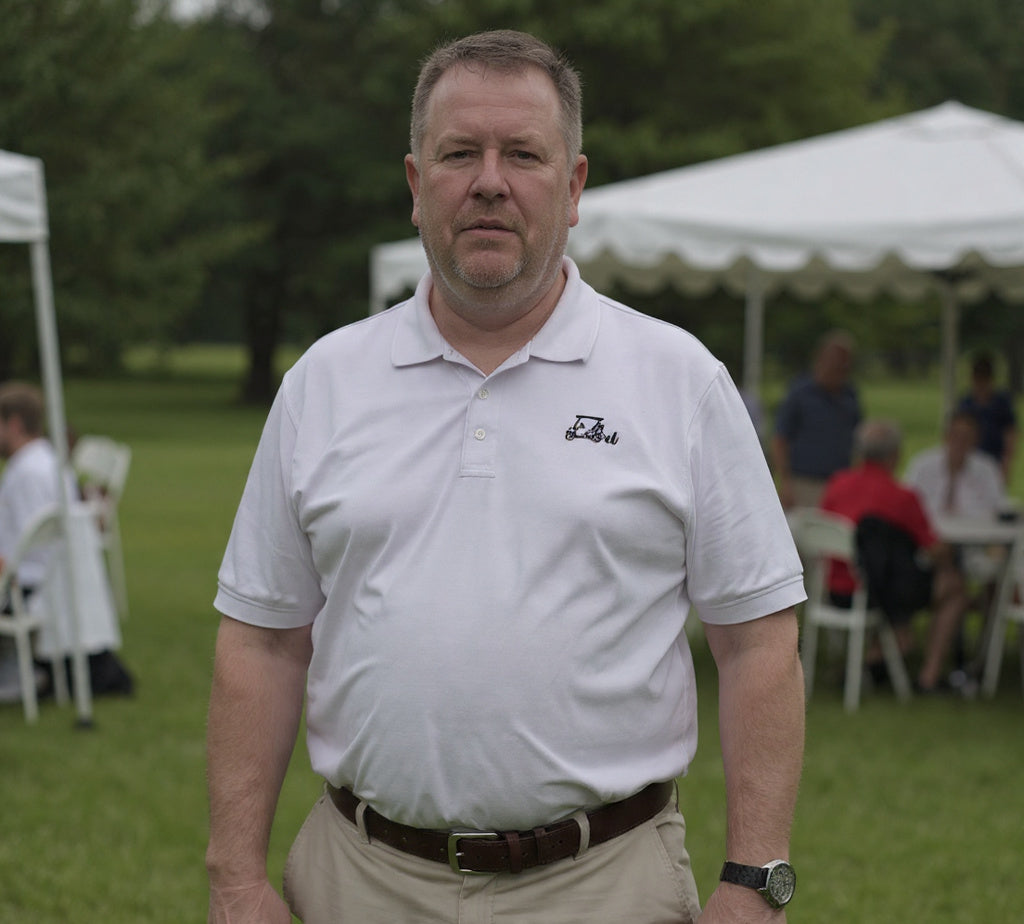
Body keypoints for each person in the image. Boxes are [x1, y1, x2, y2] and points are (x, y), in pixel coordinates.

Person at [206, 30, 806, 924]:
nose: (490, 180)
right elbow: (260, 641)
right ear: (417, 186)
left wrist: (757, 880)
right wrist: (235, 876)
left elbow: (759, 641)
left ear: (572, 189)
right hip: (357, 881)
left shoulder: (676, 380)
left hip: (605, 884)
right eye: (460, 154)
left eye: (523, 154)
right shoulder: (323, 385)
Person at [0, 381, 131, 699]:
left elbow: (31, 552)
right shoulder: (49, 461)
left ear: (14, 424)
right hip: (51, 580)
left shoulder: (26, 473)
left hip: (27, 585)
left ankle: (19, 674)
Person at [820, 419, 971, 693]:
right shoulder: (900, 496)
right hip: (876, 593)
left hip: (834, 588)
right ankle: (929, 675)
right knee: (954, 586)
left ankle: (875, 660)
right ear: (894, 455)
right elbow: (933, 548)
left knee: (899, 576)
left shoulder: (837, 484)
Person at [771, 330, 862, 509]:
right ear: (821, 359)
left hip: (839, 483)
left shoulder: (850, 395)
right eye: (837, 362)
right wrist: (786, 482)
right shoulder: (800, 393)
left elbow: (857, 438)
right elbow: (780, 439)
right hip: (803, 483)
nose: (842, 368)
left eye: (846, 363)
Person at [957, 352, 1017, 484]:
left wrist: (1006, 464)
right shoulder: (966, 402)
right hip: (971, 458)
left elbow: (1010, 434)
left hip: (994, 456)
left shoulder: (1001, 402)